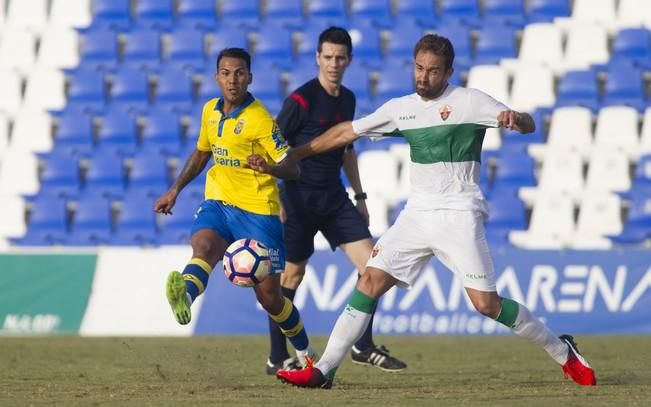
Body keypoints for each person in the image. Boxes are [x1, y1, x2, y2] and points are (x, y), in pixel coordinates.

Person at [270, 34, 597, 388]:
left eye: (433, 71)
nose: (423, 77)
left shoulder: (470, 102)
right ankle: (325, 370)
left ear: (449, 71)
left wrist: (517, 119)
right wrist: (298, 154)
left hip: (459, 215)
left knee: (486, 305)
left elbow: (528, 124)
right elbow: (347, 132)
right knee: (369, 280)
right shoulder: (402, 108)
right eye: (419, 68)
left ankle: (563, 351)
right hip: (417, 216)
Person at [154, 48, 315, 365]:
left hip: (258, 212)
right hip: (219, 201)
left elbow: (293, 169)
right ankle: (184, 295)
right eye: (226, 73)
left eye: (239, 73)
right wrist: (175, 189)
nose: (232, 79)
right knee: (203, 246)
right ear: (217, 78)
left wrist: (268, 168)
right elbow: (202, 154)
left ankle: (306, 353)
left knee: (270, 298)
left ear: (249, 78)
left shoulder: (261, 120)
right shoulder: (209, 112)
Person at [264, 26, 407, 375]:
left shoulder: (348, 100)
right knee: (293, 275)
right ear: (317, 58)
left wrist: (359, 195)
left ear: (349, 61)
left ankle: (363, 344)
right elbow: (271, 148)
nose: (333, 63)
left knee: (374, 266)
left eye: (340, 58)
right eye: (327, 57)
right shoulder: (299, 101)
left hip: (334, 198)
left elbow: (346, 148)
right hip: (297, 198)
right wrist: (275, 199)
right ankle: (276, 356)